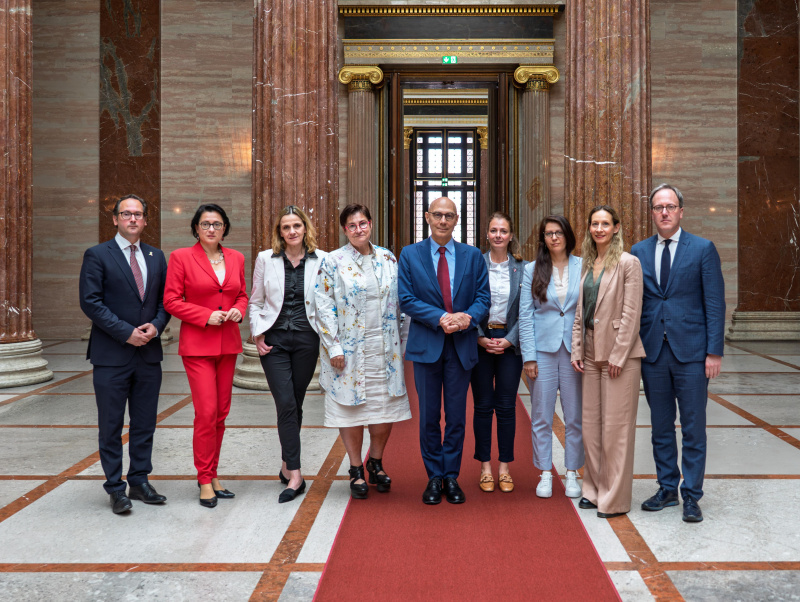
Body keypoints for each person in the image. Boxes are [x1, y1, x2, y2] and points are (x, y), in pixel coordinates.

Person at [631, 184, 725, 523]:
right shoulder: (638, 251)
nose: (665, 212)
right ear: (652, 213)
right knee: (659, 426)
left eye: (670, 206)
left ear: (681, 211)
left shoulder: (702, 249)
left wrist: (714, 352)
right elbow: (633, 303)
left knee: (693, 426)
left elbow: (714, 303)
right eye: (659, 207)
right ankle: (667, 487)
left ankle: (692, 495)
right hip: (653, 351)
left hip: (693, 353)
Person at [79, 194, 171, 514]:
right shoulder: (97, 255)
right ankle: (116, 488)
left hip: (148, 354)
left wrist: (156, 327)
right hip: (111, 355)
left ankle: (140, 479)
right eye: (126, 214)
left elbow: (165, 302)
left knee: (145, 422)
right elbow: (91, 302)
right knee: (111, 425)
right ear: (115, 219)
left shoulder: (157, 256)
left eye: (138, 214)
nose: (133, 219)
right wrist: (125, 332)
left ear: (145, 220)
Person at [398, 196, 491, 505]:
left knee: (455, 416)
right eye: (437, 214)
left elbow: (482, 297)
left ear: (456, 220)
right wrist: (440, 318)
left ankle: (451, 475)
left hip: (461, 346)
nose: (442, 220)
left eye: (448, 216)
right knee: (427, 416)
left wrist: (468, 317)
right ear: (427, 217)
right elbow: (406, 299)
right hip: (427, 345)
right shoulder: (410, 255)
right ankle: (433, 477)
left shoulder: (473, 256)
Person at [316, 204, 411, 499]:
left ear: (370, 224)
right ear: (345, 230)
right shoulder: (333, 261)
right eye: (352, 225)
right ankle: (356, 468)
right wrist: (334, 346)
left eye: (363, 223)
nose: (359, 229)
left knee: (384, 410)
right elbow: (323, 306)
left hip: (385, 351)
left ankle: (376, 462)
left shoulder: (387, 257)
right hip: (348, 351)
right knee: (352, 412)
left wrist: (404, 344)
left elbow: (401, 303)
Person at [164, 204, 247, 508]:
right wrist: (205, 315)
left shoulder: (236, 257)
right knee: (206, 412)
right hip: (198, 344)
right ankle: (203, 478)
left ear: (225, 227)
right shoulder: (181, 257)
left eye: (217, 223)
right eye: (205, 224)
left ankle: (213, 474)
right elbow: (171, 301)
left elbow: (241, 293)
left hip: (228, 343)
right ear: (195, 228)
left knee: (222, 413)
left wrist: (240, 309)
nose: (211, 229)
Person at [570, 205, 645, 519]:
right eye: (594, 224)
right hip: (590, 353)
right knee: (592, 428)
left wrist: (619, 354)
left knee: (616, 430)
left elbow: (631, 314)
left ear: (616, 227)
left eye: (605, 224)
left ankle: (613, 499)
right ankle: (594, 489)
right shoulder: (590, 264)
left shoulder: (629, 263)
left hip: (619, 357)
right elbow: (580, 313)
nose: (599, 229)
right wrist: (576, 349)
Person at [249, 205, 327, 504]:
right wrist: (257, 333)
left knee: (295, 402)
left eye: (296, 225)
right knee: (285, 402)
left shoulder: (323, 259)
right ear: (279, 232)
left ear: (305, 228)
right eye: (286, 227)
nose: (292, 231)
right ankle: (295, 474)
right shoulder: (265, 259)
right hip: (275, 340)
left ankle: (285, 462)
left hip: (307, 339)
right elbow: (255, 301)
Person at [519, 215, 584, 499]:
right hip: (542, 352)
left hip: (575, 352)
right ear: (543, 238)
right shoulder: (532, 270)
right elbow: (525, 315)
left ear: (568, 235)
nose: (554, 238)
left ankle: (572, 472)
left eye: (558, 232)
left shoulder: (584, 266)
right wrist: (528, 357)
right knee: (542, 416)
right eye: (548, 233)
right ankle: (545, 472)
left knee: (574, 417)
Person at [471, 212, 527, 494]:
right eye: (493, 230)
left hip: (509, 343)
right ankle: (484, 467)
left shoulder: (523, 268)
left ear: (511, 234)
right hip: (480, 341)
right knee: (482, 406)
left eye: (503, 231)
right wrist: (480, 338)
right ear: (487, 234)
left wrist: (510, 340)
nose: (498, 235)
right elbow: (466, 303)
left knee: (506, 407)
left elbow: (527, 311)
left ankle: (504, 467)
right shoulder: (474, 264)